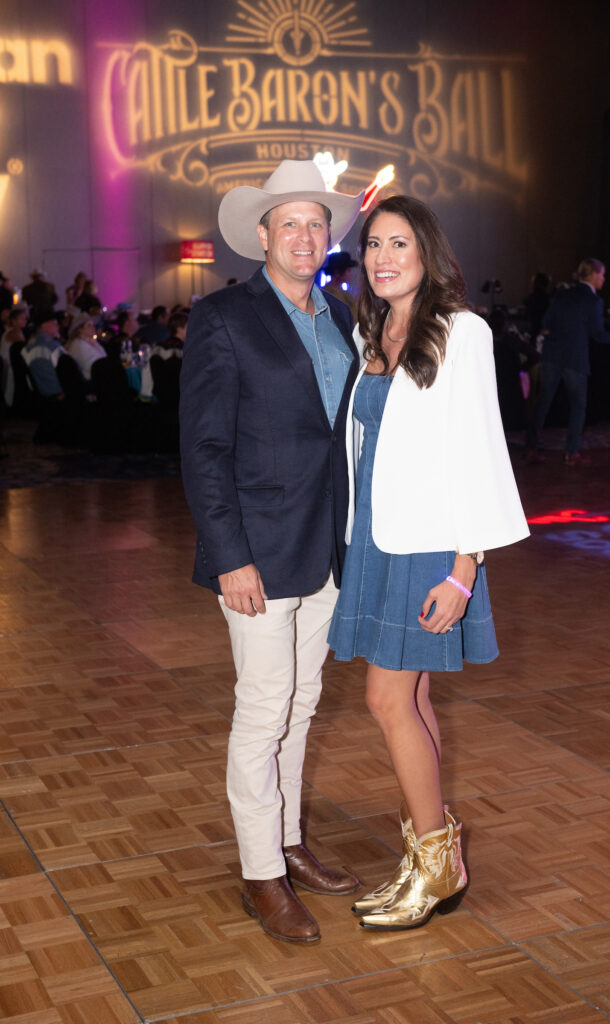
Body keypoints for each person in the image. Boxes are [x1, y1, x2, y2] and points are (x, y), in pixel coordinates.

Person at [327, 195, 529, 931]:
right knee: (408, 701)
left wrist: (463, 569)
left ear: (427, 254)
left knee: (387, 701)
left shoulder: (460, 330)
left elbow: (479, 451)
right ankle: (426, 859)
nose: (382, 258)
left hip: (430, 550)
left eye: (398, 245)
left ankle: (439, 862)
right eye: (374, 245)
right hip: (377, 541)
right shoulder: (373, 330)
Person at [179, 160, 365, 944]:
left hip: (326, 548)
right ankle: (261, 872)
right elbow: (203, 446)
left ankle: (288, 840)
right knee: (261, 712)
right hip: (254, 550)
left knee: (303, 703)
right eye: (288, 222)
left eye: (316, 223)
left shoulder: (344, 318)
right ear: (260, 236)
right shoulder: (224, 318)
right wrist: (229, 554)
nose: (304, 235)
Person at [525, 257, 610, 466]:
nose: (604, 279)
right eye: (602, 274)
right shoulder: (594, 301)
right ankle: (571, 452)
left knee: (543, 402)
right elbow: (598, 335)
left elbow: (546, 323)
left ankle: (531, 447)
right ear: (594, 275)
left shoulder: (561, 294)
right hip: (575, 360)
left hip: (552, 355)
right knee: (578, 406)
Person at [66, 314, 106, 381]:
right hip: (91, 382)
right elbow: (92, 366)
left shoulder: (92, 342)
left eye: (93, 325)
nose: (93, 327)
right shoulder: (78, 345)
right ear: (80, 330)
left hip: (100, 377)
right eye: (89, 325)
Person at [323, 251, 358, 317]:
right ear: (337, 272)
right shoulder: (331, 294)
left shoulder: (343, 293)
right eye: (348, 271)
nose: (350, 274)